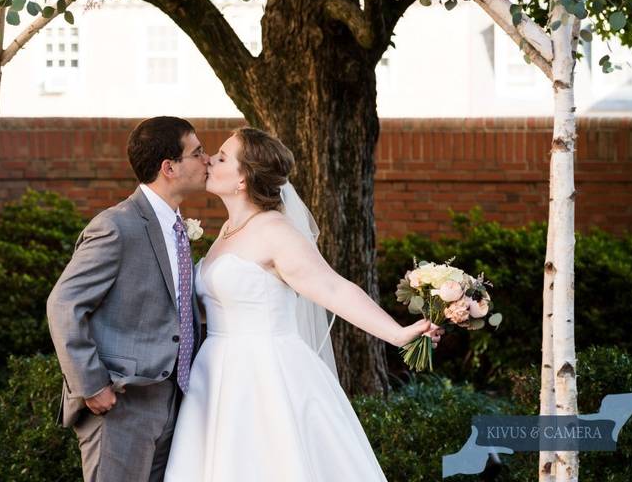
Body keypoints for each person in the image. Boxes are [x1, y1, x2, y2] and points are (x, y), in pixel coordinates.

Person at [163, 126, 444, 481]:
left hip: (264, 372)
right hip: (213, 372)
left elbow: (333, 288)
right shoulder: (227, 231)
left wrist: (398, 334)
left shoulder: (275, 231)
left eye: (221, 157)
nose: (209, 160)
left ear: (243, 180)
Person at [47, 116, 210, 482]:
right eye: (197, 152)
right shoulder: (117, 226)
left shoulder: (177, 226)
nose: (207, 160)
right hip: (122, 404)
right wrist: (91, 385)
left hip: (172, 402)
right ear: (169, 167)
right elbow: (63, 304)